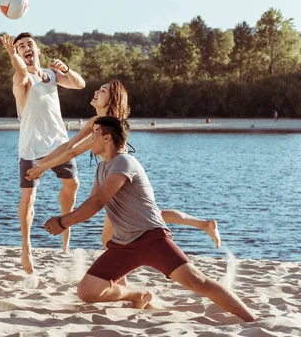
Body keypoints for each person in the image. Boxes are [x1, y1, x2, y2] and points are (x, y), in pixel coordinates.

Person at [44, 116, 256, 322]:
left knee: (198, 282)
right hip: (123, 244)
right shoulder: (102, 168)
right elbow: (91, 203)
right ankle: (138, 295)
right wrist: (66, 219)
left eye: (95, 134)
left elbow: (98, 201)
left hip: (151, 239)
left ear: (107, 138)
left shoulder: (124, 162)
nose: (91, 139)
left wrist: (63, 222)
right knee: (87, 291)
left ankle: (252, 320)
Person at [27, 80, 221, 257]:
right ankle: (204, 224)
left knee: (118, 234)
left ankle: (119, 282)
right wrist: (42, 164)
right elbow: (67, 147)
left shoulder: (110, 126)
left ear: (112, 100)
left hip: (120, 176)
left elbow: (73, 153)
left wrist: (41, 168)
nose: (96, 91)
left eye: (103, 91)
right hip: (107, 172)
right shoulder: (95, 121)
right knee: (141, 221)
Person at [0, 33, 86, 274]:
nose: (26, 48)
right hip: (31, 148)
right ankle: (26, 248)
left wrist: (66, 69)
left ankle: (65, 236)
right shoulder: (22, 79)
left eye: (29, 45)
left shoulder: (50, 75)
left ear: (38, 50)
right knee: (29, 198)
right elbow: (19, 67)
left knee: (73, 185)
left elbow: (80, 84)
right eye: (20, 47)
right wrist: (12, 54)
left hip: (59, 145)